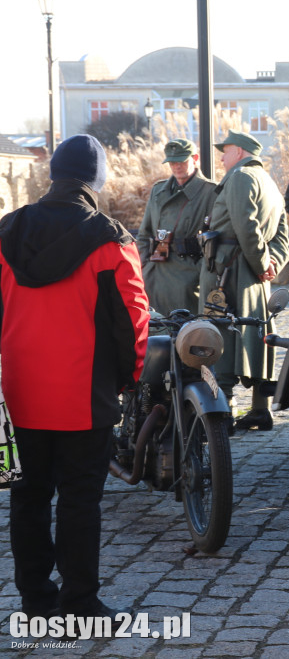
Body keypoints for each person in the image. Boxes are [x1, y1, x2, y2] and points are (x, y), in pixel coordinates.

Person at [0, 134, 149, 619]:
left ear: (53, 175)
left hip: (17, 394)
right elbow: (133, 320)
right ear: (96, 181)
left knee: (27, 498)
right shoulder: (111, 241)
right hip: (84, 396)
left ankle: (34, 601)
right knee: (80, 502)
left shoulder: (5, 233)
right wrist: (127, 380)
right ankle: (81, 602)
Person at [199, 130, 289, 431]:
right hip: (252, 273)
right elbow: (281, 234)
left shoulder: (240, 178)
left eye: (224, 152)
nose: (222, 158)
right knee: (256, 335)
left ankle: (221, 413)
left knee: (220, 333)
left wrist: (263, 262)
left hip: (229, 271)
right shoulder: (270, 183)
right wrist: (271, 263)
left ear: (238, 151)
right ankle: (259, 408)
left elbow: (245, 227)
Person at [137, 139, 217, 315]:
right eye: (172, 162)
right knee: (156, 333)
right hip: (155, 273)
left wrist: (203, 274)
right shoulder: (158, 191)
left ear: (195, 158)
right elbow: (144, 234)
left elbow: (218, 237)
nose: (176, 166)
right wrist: (143, 267)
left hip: (189, 276)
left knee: (187, 334)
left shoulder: (211, 192)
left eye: (181, 161)